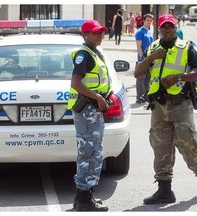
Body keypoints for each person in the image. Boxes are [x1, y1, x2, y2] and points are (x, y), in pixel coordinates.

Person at [134, 14, 197, 204]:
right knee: (160, 147)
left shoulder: (187, 47)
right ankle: (164, 190)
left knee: (187, 143)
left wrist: (179, 78)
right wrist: (151, 57)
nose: (167, 30)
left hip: (181, 104)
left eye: (170, 27)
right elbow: (137, 72)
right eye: (164, 27)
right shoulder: (153, 47)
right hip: (159, 106)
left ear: (176, 28)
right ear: (159, 30)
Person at [67, 19, 111, 211]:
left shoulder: (93, 52)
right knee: (90, 154)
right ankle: (85, 199)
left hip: (91, 110)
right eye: (95, 32)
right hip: (88, 110)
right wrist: (97, 98)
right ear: (85, 34)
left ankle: (82, 197)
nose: (100, 35)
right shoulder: (85, 55)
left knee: (90, 152)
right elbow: (76, 82)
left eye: (101, 31)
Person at [134, 13, 154, 103]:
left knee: (147, 79)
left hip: (150, 59)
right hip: (143, 59)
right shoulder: (140, 32)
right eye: (147, 20)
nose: (149, 22)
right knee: (141, 79)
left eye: (150, 20)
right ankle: (140, 96)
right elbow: (139, 47)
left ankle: (146, 95)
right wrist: (143, 59)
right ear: (144, 21)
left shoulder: (149, 32)